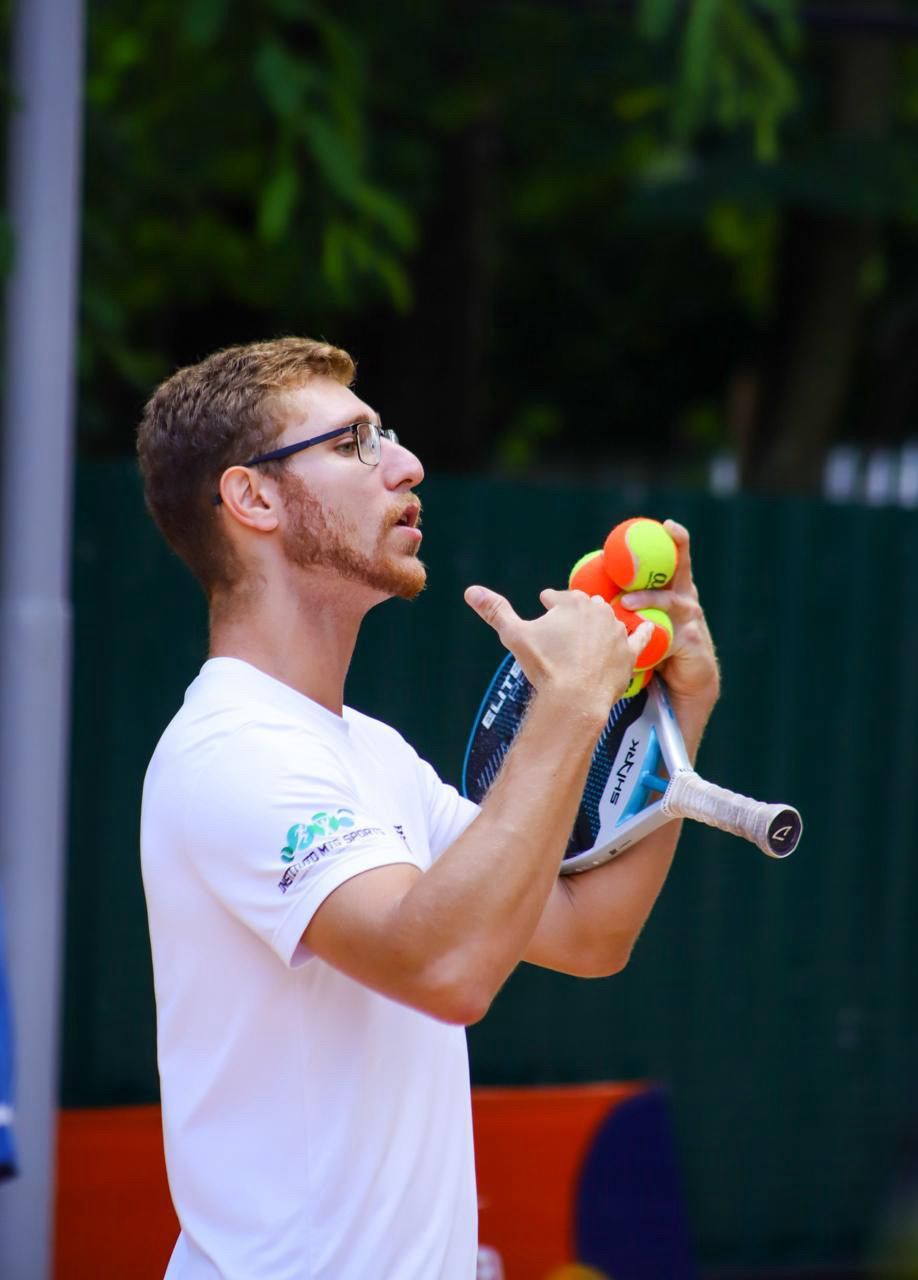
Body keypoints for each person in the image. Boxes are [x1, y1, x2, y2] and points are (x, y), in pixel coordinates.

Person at [137, 336, 720, 1280]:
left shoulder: (368, 754)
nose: (406, 466)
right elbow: (447, 966)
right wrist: (572, 702)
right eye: (355, 443)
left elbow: (588, 933)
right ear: (252, 499)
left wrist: (671, 713)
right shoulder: (231, 752)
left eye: (390, 437)